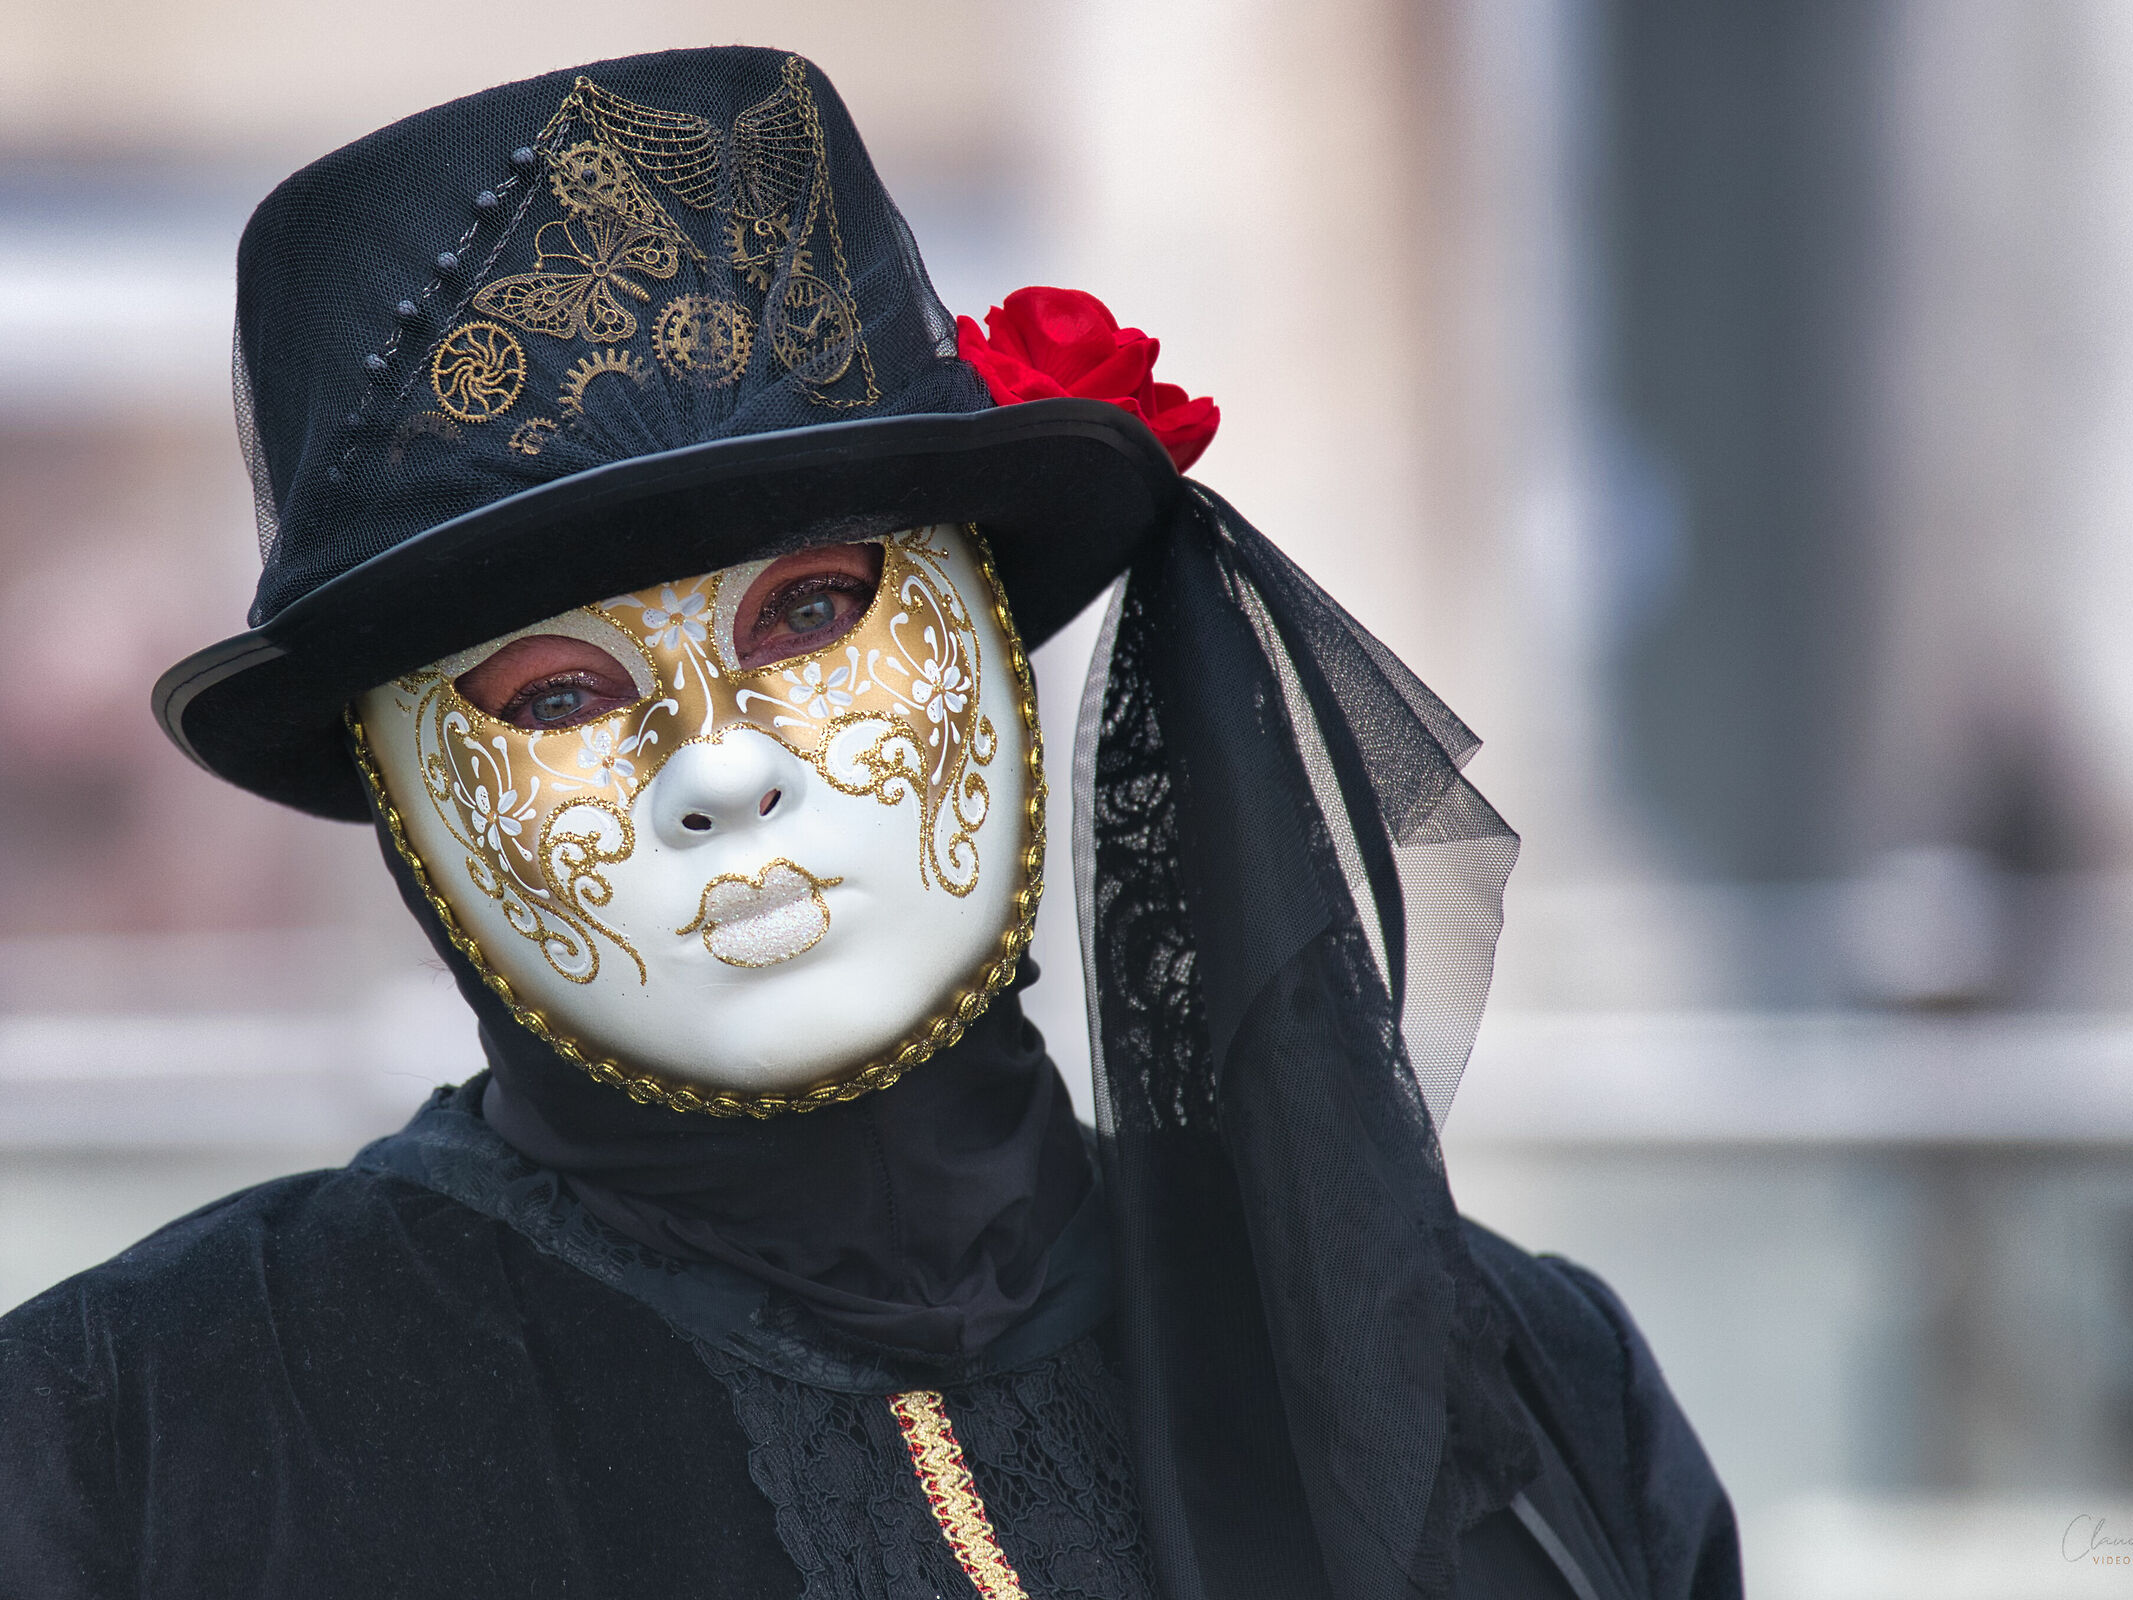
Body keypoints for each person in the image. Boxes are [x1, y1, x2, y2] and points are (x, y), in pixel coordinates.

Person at [0, 46, 1740, 1600]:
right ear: (402, 807)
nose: (721, 768)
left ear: (989, 631)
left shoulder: (1516, 1388)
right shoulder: (137, 1449)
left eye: (813, 616)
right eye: (554, 697)